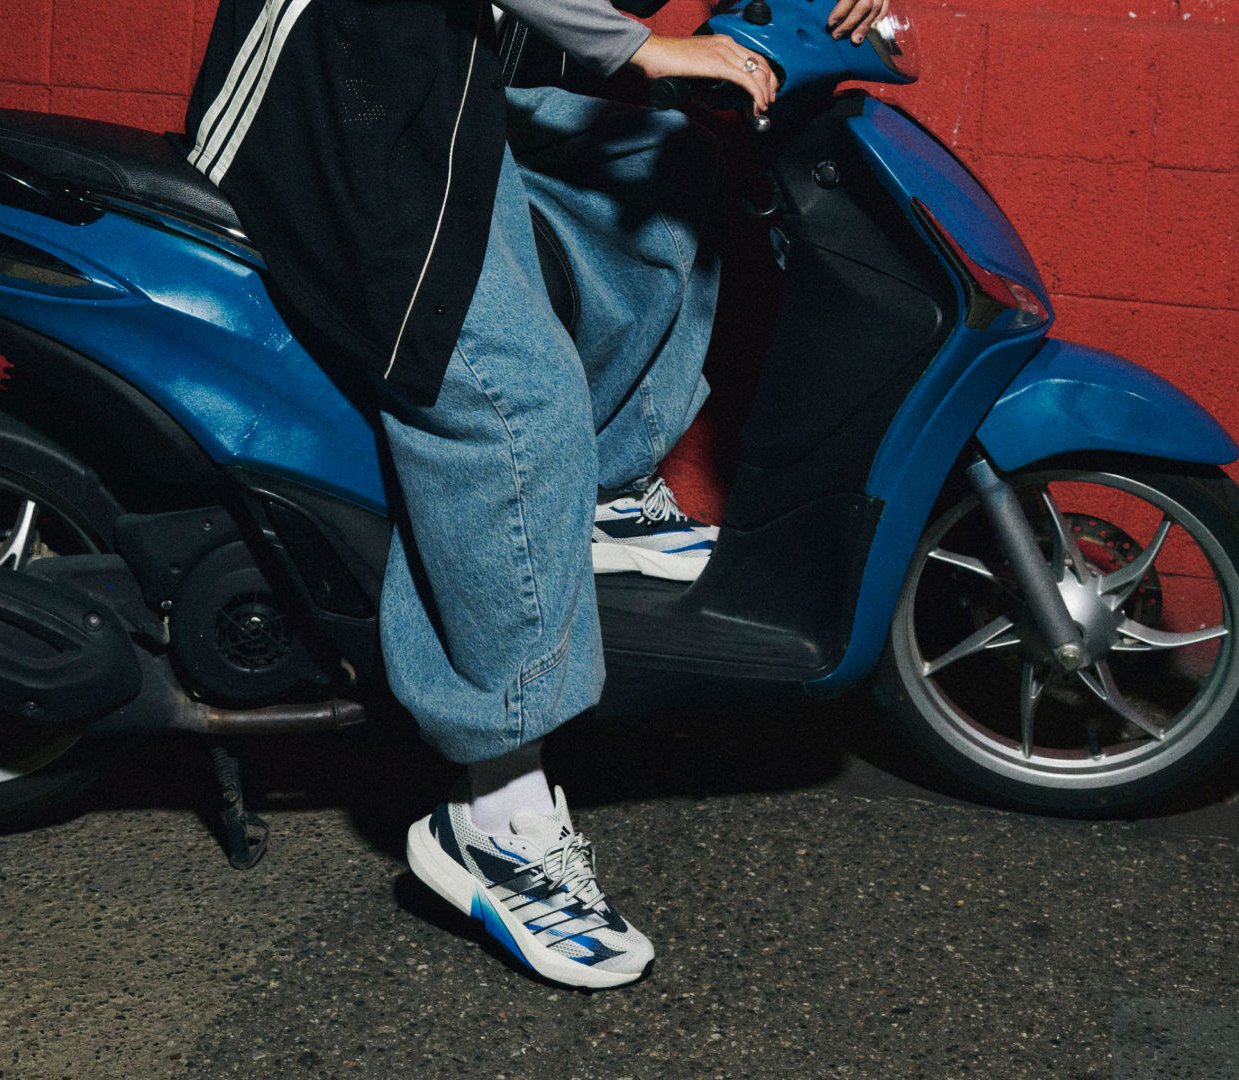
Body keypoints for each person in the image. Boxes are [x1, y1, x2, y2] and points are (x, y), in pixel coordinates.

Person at [187, 0, 889, 988]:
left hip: (450, 79)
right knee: (511, 399)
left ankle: (582, 500)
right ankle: (496, 812)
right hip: (342, 99)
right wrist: (640, 45)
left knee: (672, 164)